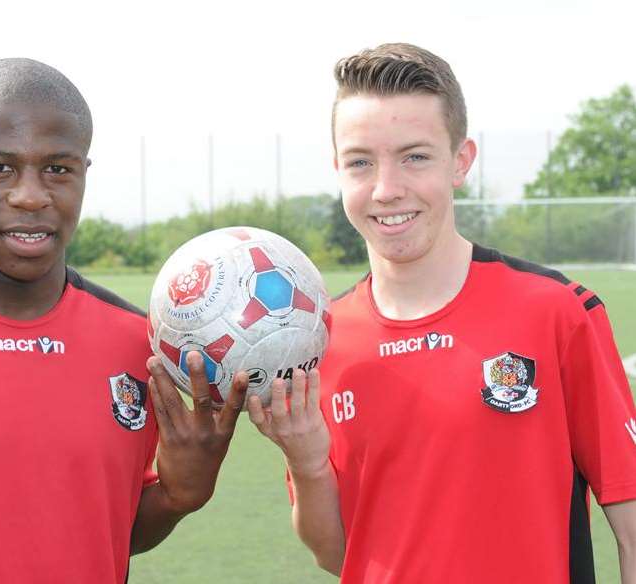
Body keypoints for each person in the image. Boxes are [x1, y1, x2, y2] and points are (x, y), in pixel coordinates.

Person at [0, 58, 247, 583]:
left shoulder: (138, 346)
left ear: (83, 174)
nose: (31, 195)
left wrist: (174, 497)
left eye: (58, 168)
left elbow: (103, 530)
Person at [248, 43, 636, 583]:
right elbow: (338, 554)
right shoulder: (317, 345)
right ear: (337, 168)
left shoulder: (555, 311)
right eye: (361, 162)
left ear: (461, 161)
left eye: (415, 156)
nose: (386, 189)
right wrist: (307, 462)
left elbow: (631, 517)